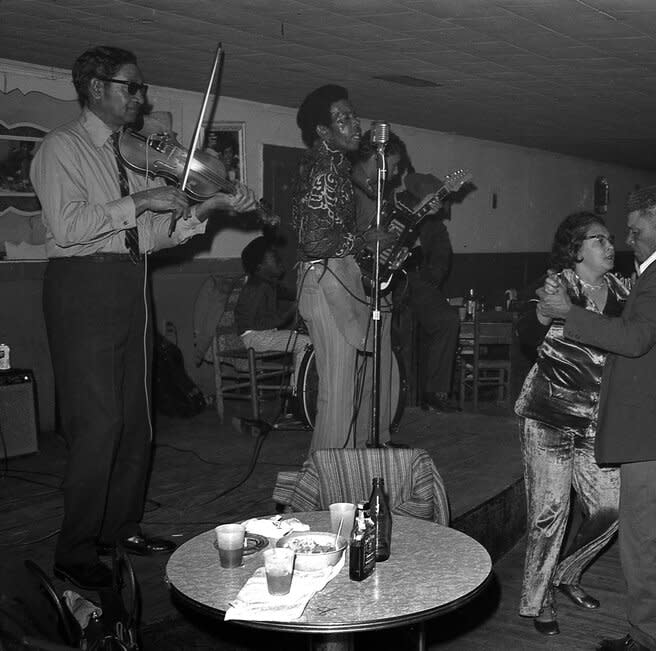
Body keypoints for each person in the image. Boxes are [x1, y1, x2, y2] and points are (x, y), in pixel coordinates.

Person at [30, 45, 256, 590]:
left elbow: (147, 235)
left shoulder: (129, 156)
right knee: (97, 423)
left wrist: (206, 208)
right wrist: (144, 199)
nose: (140, 97)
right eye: (131, 87)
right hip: (82, 288)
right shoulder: (61, 148)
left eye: (139, 87)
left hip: (130, 281)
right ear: (95, 88)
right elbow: (68, 226)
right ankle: (76, 549)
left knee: (137, 420)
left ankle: (120, 529)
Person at [538, 183, 656, 651]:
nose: (627, 238)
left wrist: (567, 314)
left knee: (648, 550)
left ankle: (650, 641)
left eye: (635, 230)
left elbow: (635, 339)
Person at [516, 212, 628, 636]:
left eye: (611, 238)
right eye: (599, 240)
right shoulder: (558, 285)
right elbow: (526, 336)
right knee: (549, 514)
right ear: (576, 249)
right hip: (548, 418)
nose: (610, 245)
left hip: (597, 422)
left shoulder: (622, 290)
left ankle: (565, 572)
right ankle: (541, 600)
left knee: (611, 507)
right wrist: (544, 313)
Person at [291, 84, 395, 450]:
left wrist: (365, 241)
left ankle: (345, 473)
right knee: (336, 392)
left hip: (334, 278)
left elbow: (330, 231)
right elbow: (315, 242)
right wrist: (366, 240)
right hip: (324, 282)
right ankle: (329, 485)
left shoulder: (335, 166)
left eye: (353, 116)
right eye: (343, 119)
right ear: (323, 131)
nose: (355, 125)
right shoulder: (323, 170)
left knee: (346, 387)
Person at [399, 171, 460, 412]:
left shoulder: (435, 227)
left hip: (416, 284)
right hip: (385, 284)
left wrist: (428, 276)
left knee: (448, 319)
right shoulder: (394, 208)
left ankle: (436, 391)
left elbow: (442, 258)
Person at [234, 236, 311, 394]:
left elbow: (292, 293)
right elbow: (252, 322)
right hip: (255, 337)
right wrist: (288, 313)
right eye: (274, 258)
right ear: (260, 267)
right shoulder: (257, 286)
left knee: (303, 340)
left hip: (262, 335)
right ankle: (298, 390)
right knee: (306, 344)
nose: (279, 259)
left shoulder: (268, 284)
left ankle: (296, 387)